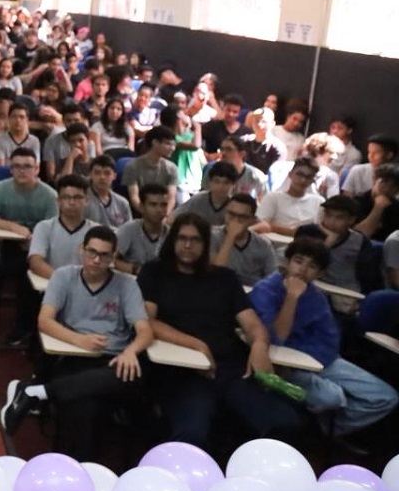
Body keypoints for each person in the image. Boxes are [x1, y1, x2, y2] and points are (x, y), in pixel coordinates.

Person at [138, 214, 306, 452]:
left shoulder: (223, 278)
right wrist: (197, 345)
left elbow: (251, 324)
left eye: (195, 240)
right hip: (182, 369)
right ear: (172, 240)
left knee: (285, 424)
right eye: (182, 238)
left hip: (230, 368)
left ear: (206, 244)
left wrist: (259, 344)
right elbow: (148, 321)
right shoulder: (154, 272)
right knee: (192, 435)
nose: (188, 245)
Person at [2, 227, 153, 461]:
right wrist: (78, 340)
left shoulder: (127, 284)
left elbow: (145, 330)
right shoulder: (64, 276)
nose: (96, 260)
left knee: (123, 377)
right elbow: (44, 321)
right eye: (91, 252)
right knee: (84, 407)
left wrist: (131, 351)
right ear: (81, 250)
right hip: (75, 357)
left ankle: (38, 393)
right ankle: (71, 467)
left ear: (113, 258)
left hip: (113, 362)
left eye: (104, 255)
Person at [250, 238, 398, 443]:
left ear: (319, 274)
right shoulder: (265, 289)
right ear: (287, 261)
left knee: (385, 397)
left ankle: (322, 431)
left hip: (321, 361)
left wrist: (314, 364)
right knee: (332, 398)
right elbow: (276, 339)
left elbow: (330, 340)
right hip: (283, 364)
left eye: (312, 267)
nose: (302, 270)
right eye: (298, 261)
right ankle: (316, 429)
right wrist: (292, 298)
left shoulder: (316, 297)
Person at [0, 148, 58, 346]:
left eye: (27, 166)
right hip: (11, 242)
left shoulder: (49, 195)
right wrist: (13, 227)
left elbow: (53, 230)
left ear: (37, 169)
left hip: (40, 247)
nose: (22, 171)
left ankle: (24, 326)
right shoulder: (1, 188)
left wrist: (34, 242)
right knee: (14, 262)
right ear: (11, 169)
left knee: (26, 275)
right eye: (16, 166)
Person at [28, 175, 98, 279]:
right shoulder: (44, 227)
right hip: (51, 285)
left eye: (77, 197)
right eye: (66, 197)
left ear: (86, 201)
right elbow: (35, 262)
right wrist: (63, 281)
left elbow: (102, 266)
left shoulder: (96, 231)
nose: (71, 202)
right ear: (58, 201)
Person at [211, 194, 279, 287]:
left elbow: (273, 281)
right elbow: (215, 275)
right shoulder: (212, 237)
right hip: (221, 290)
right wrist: (230, 237)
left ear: (252, 220)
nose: (235, 220)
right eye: (231, 214)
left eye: (242, 217)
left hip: (253, 293)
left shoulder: (264, 245)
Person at [254, 157, 323, 246]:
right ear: (290, 174)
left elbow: (318, 232)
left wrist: (273, 228)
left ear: (312, 180)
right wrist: (293, 232)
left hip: (304, 249)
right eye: (299, 174)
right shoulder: (273, 197)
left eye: (308, 177)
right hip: (273, 246)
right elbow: (262, 225)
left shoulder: (318, 202)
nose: (303, 180)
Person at [115, 183, 170, 276]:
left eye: (163, 205)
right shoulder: (128, 229)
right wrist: (137, 270)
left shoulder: (171, 233)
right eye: (153, 205)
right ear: (141, 207)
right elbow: (110, 259)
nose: (159, 210)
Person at [122, 126, 179, 216]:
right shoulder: (132, 166)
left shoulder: (172, 168)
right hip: (140, 213)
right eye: (168, 144)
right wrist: (150, 215)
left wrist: (164, 215)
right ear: (155, 143)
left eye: (173, 145)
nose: (173, 148)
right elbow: (134, 198)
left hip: (163, 214)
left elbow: (171, 198)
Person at [173, 160, 237, 226]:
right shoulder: (198, 199)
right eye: (217, 181)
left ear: (234, 185)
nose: (221, 186)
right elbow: (173, 218)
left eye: (226, 183)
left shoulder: (235, 205)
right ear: (210, 182)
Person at [83, 154, 132, 229]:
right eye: (97, 173)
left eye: (107, 173)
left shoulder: (122, 203)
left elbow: (129, 231)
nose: (102, 177)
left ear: (114, 176)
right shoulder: (82, 200)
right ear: (90, 175)